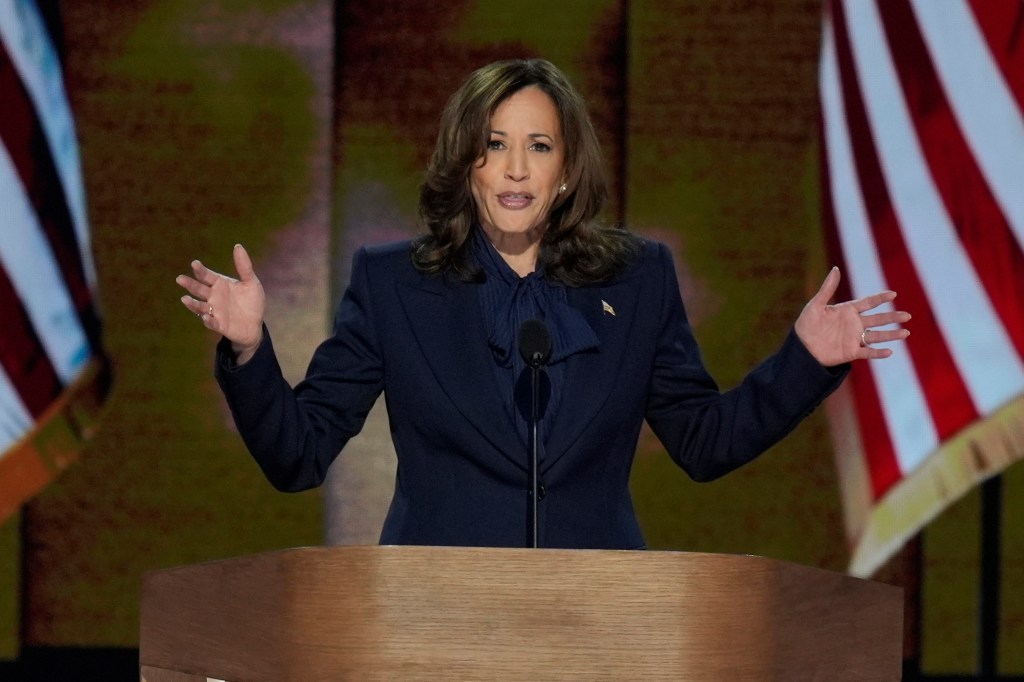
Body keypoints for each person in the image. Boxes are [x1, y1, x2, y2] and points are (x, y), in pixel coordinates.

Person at [175, 58, 909, 550]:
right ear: (468, 164)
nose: (517, 168)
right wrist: (248, 350)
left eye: (539, 146)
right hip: (435, 621)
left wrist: (805, 360)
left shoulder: (637, 278)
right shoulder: (393, 284)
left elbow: (704, 441)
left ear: (566, 170)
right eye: (494, 145)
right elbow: (298, 455)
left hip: (598, 618)